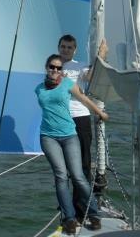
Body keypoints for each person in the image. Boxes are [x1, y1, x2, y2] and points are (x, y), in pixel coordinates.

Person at [35, 54, 108, 235]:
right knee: (60, 176)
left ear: (62, 71)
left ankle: (94, 214)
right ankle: (69, 218)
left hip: (69, 135)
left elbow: (84, 99)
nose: (55, 70)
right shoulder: (39, 89)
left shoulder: (67, 84)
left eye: (59, 68)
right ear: (47, 67)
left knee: (78, 176)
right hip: (48, 137)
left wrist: (100, 113)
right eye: (52, 67)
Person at [58, 34, 108, 185]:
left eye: (69, 47)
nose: (66, 50)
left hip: (80, 116)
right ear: (59, 48)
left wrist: (100, 56)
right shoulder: (54, 66)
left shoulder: (80, 66)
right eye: (63, 47)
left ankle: (83, 195)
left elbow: (90, 77)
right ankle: (67, 196)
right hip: (61, 118)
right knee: (64, 162)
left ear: (75, 50)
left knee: (83, 158)